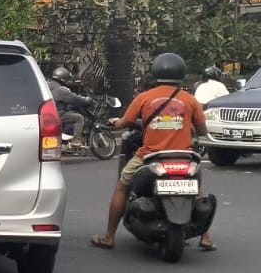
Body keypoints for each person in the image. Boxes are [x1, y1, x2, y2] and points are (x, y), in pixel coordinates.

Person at [91, 52, 216, 252]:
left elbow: (125, 122)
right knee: (194, 190)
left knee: (122, 186)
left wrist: (115, 122)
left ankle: (109, 237)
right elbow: (202, 131)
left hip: (150, 156)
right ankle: (206, 237)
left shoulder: (144, 97)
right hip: (184, 157)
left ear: (155, 72)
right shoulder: (190, 100)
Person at [48, 65, 93, 140]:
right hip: (57, 114)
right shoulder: (62, 90)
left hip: (46, 114)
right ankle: (76, 142)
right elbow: (75, 99)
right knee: (79, 118)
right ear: (63, 79)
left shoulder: (46, 85)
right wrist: (87, 100)